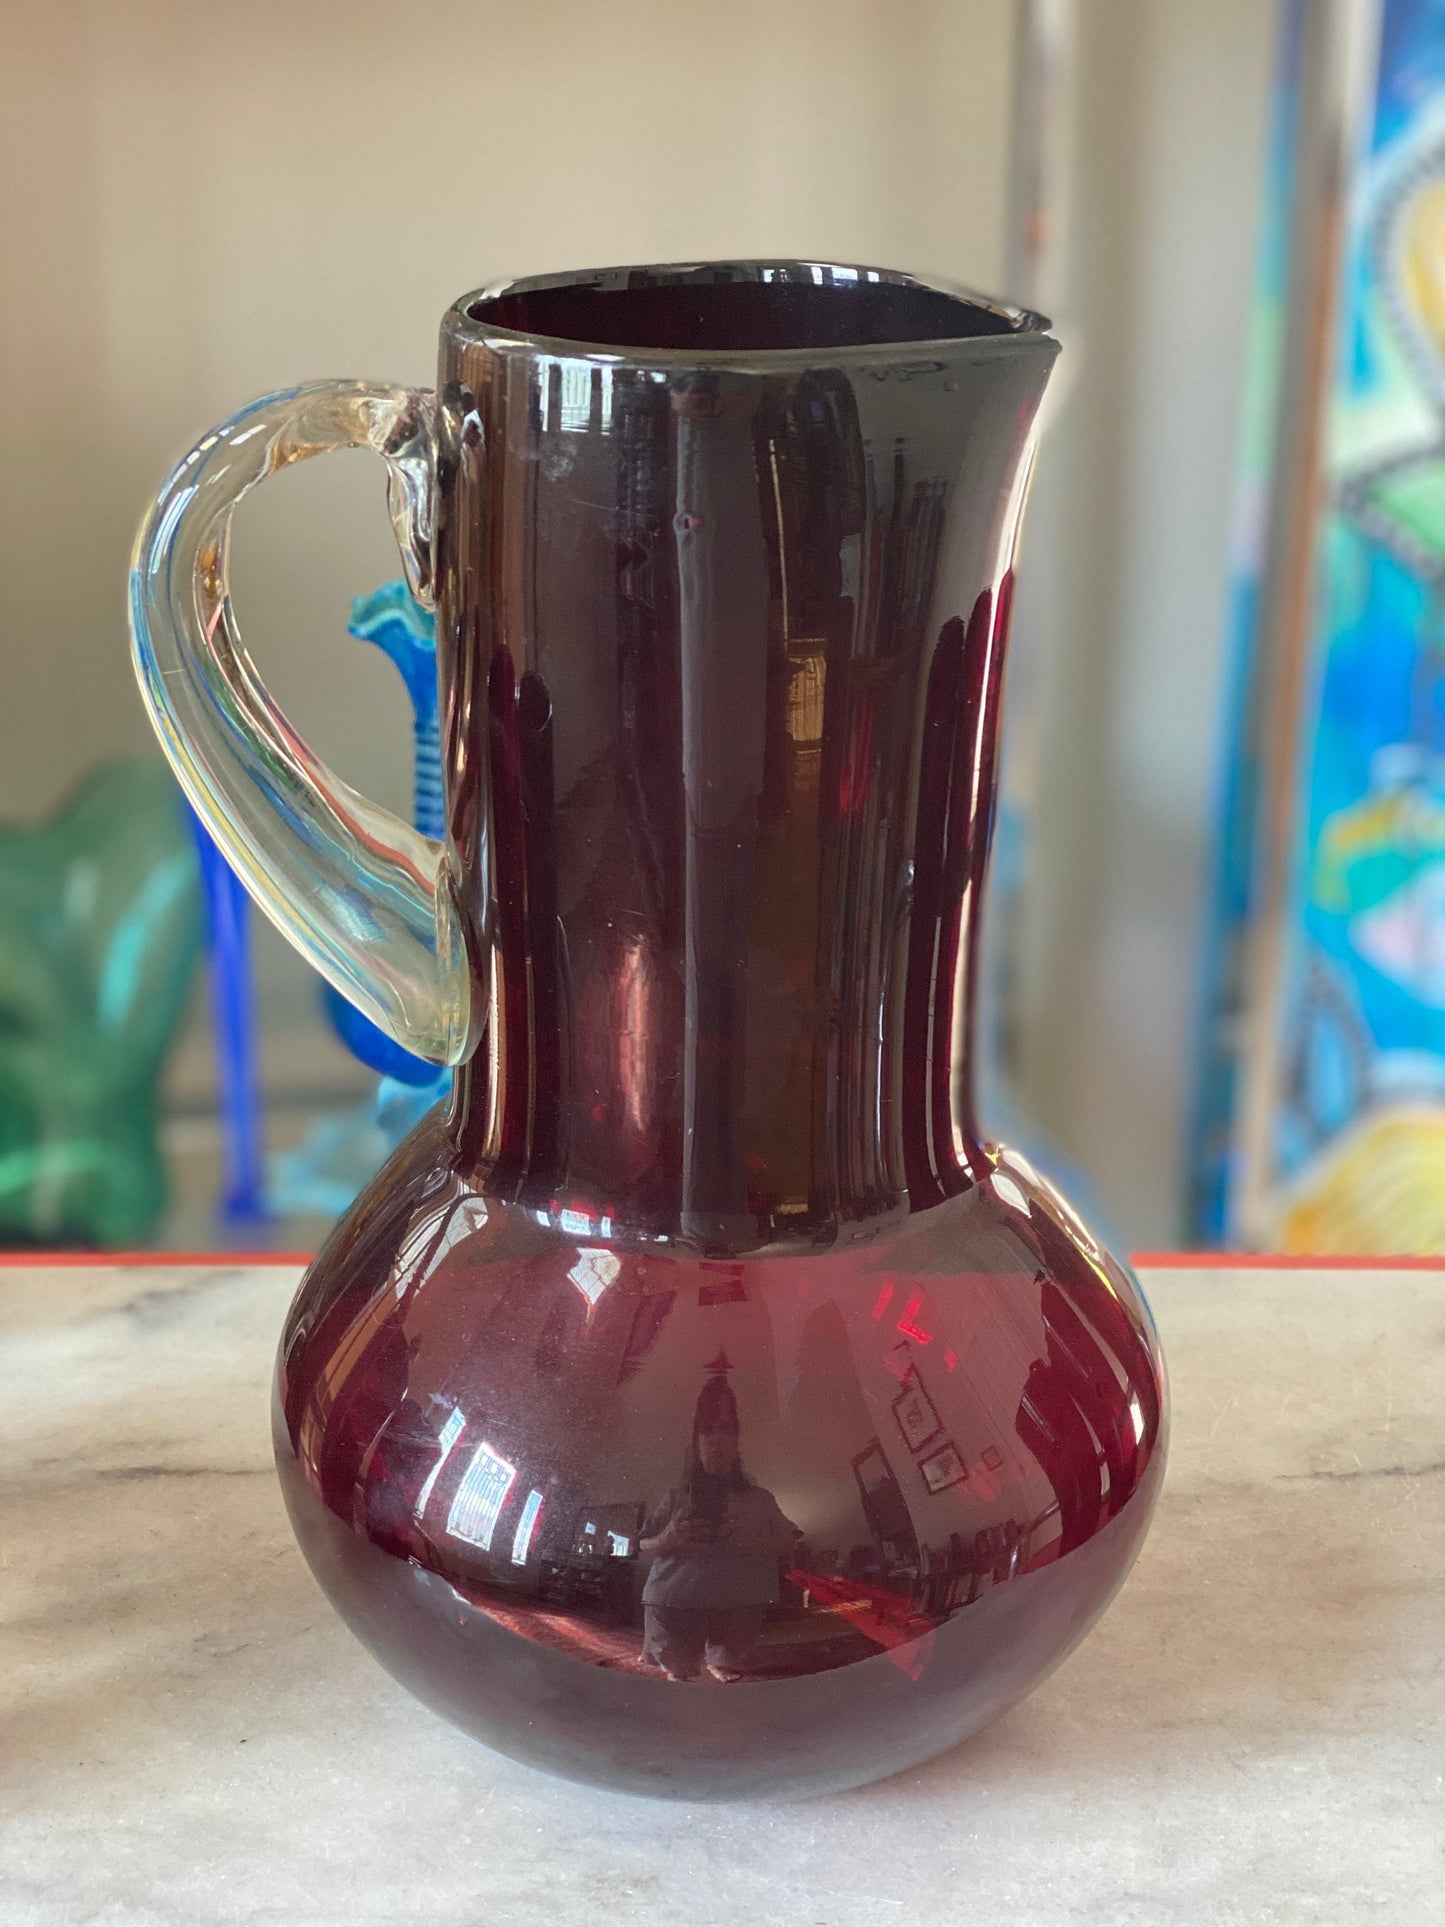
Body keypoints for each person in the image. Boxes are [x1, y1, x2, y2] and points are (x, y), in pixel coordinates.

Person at [639, 1371, 800, 1681]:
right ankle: (685, 1662)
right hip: (676, 1602)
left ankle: (719, 1661)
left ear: (737, 1442)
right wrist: (668, 1539)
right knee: (678, 1669)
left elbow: (789, 1542)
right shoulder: (675, 1497)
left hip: (737, 1607)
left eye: (725, 1432)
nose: (715, 1442)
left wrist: (754, 1542)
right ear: (696, 1445)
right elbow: (641, 1543)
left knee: (732, 1662)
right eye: (706, 1434)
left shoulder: (760, 1498)